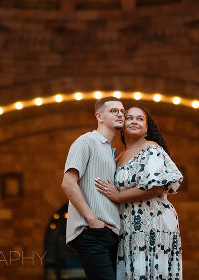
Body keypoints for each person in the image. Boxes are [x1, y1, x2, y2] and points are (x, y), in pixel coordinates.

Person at [95, 106, 184, 280]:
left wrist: (119, 196)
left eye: (140, 119)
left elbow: (157, 186)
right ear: (122, 124)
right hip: (128, 225)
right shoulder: (119, 157)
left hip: (153, 221)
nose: (134, 121)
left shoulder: (151, 148)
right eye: (129, 118)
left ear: (147, 127)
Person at [60, 96, 126, 280]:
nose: (120, 114)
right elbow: (68, 183)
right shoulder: (86, 141)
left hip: (111, 235)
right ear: (99, 116)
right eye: (114, 111)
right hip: (92, 233)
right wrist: (92, 220)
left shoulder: (109, 151)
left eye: (122, 111)